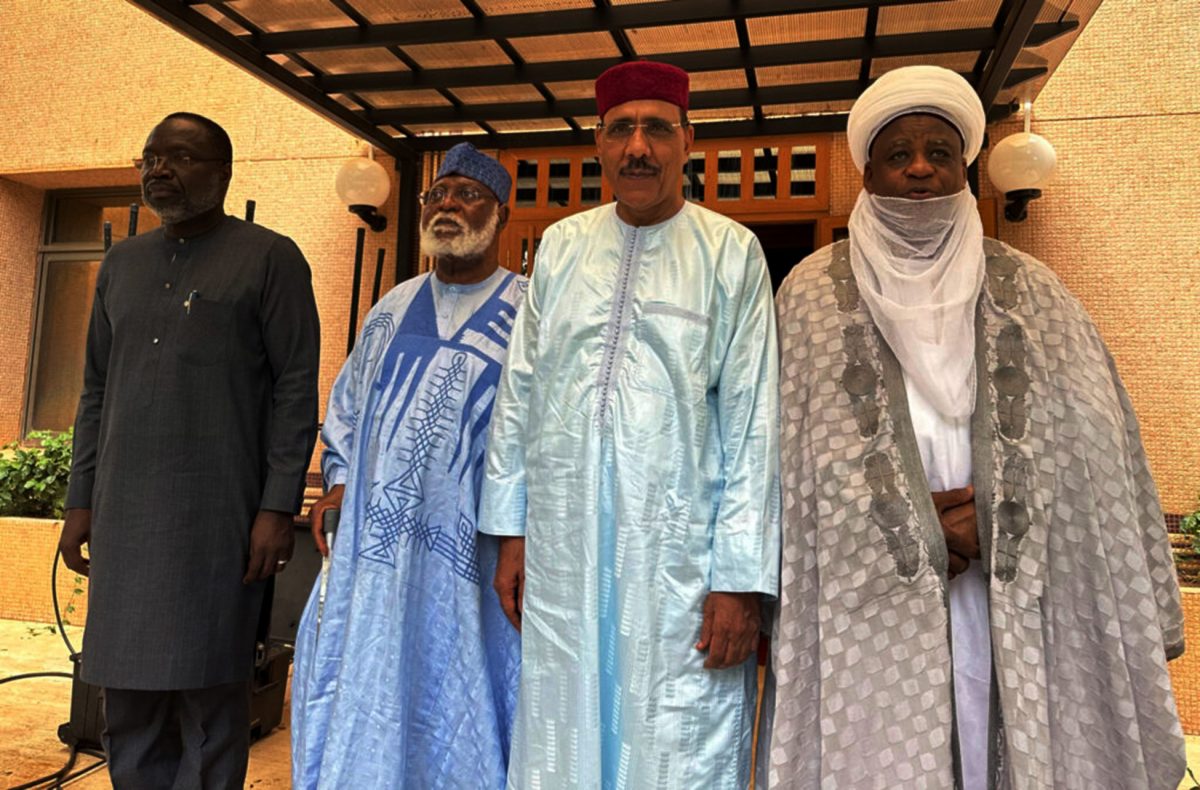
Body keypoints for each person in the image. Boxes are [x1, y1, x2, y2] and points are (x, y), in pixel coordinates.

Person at [761, 65, 1185, 789]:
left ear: (966, 170)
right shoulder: (806, 298)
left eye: (940, 152)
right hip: (872, 609)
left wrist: (1003, 511)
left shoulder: (1034, 291)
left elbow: (1099, 450)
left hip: (1017, 591)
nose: (921, 168)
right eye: (898, 153)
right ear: (867, 174)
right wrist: (919, 531)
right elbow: (780, 469)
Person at [479, 61, 780, 789]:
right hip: (565, 549)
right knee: (564, 721)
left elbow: (754, 422)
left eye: (655, 129)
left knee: (676, 736)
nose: (637, 147)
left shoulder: (731, 253)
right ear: (600, 142)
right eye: (621, 130)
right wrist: (512, 535)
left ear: (688, 141)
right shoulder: (560, 247)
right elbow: (520, 394)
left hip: (680, 566)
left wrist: (740, 582)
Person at [58, 112, 320, 788]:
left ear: (223, 172)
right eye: (149, 156)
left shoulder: (270, 258)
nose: (158, 169)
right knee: (127, 691)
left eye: (178, 156)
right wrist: (81, 500)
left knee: (210, 695)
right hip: (125, 516)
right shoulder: (121, 263)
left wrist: (275, 508)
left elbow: (295, 392)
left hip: (219, 520)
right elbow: (93, 391)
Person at [290, 143, 525, 789]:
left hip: (475, 560)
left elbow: (547, 432)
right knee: (368, 678)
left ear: (501, 214)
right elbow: (348, 407)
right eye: (436, 194)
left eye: (467, 193)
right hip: (375, 558)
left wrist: (523, 533)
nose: (447, 204)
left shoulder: (532, 311)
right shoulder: (391, 308)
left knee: (464, 687)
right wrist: (337, 484)